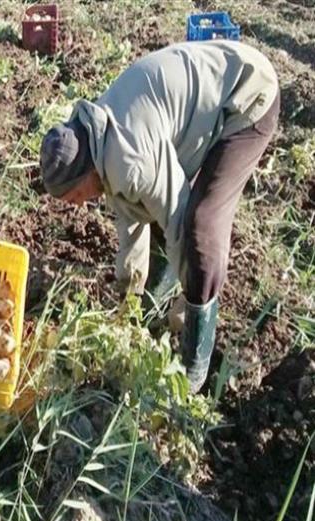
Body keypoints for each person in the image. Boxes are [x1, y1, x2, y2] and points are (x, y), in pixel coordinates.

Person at [39, 40, 279, 394]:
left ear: (85, 175)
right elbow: (131, 220)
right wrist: (128, 296)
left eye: (74, 196)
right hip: (201, 100)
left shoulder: (130, 160)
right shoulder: (100, 139)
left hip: (246, 97)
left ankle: (195, 360)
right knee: (157, 214)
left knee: (201, 226)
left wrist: (184, 305)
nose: (76, 205)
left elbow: (177, 216)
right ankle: (155, 300)